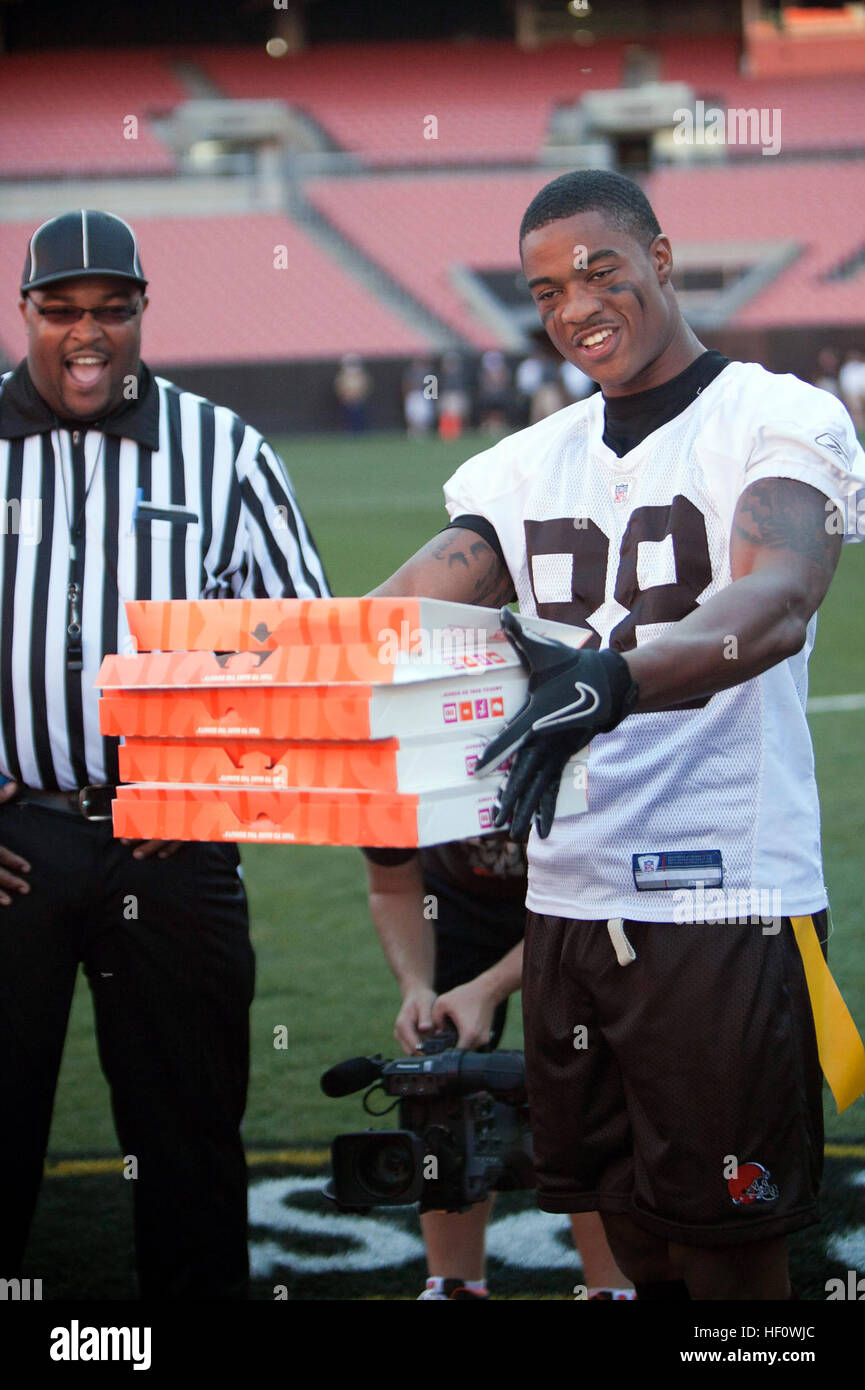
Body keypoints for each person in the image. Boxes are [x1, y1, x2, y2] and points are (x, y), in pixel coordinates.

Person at [366, 169, 865, 1300]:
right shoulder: (522, 463)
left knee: (731, 1249)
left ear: (662, 256)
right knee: (625, 1231)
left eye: (598, 270)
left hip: (720, 902)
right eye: (544, 290)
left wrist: (617, 676)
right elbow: (392, 620)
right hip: (570, 908)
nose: (574, 304)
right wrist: (211, 690)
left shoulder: (779, 415)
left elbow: (777, 599)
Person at [0, 210, 329, 1299]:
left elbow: (305, 650)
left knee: (189, 1146)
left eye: (111, 311)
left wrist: (217, 787)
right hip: (14, 845)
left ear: (144, 312)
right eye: (62, 312)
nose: (85, 335)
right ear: (26, 313)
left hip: (172, 847)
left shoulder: (225, 448)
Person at [363, 835, 633, 1301]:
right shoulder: (393, 769)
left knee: (584, 1071)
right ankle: (453, 1285)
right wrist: (416, 988)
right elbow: (391, 885)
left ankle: (613, 1287)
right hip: (454, 897)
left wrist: (487, 989)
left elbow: (597, 886)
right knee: (436, 1068)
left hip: (582, 889)